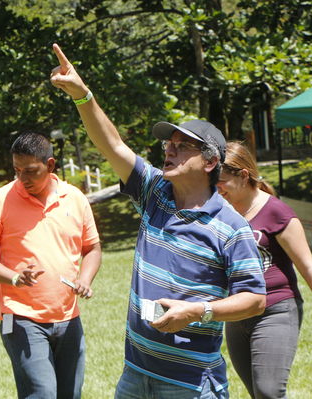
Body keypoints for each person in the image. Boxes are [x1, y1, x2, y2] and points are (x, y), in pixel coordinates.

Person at [50, 44, 266, 398]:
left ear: (210, 162)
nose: (168, 149)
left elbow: (254, 300)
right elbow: (113, 146)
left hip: (191, 383)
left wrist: (199, 311)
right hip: (135, 373)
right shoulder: (155, 193)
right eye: (168, 143)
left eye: (182, 146)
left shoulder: (232, 228)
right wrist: (82, 95)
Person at [0, 132, 102, 398]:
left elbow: (92, 249)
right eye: (17, 170)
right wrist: (14, 277)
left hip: (69, 317)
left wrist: (85, 279)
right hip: (20, 317)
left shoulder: (75, 198)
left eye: (30, 171)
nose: (22, 179)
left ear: (50, 165)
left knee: (70, 394)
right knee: (41, 393)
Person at [216, 141, 312, 398]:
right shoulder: (221, 215)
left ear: (243, 175)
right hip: (237, 313)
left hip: (276, 310)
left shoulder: (277, 213)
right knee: (258, 393)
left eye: (221, 181)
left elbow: (309, 268)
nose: (216, 188)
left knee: (268, 391)